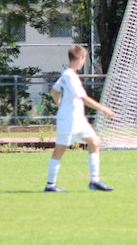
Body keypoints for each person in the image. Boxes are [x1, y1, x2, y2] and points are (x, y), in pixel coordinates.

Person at [45, 44, 116, 192]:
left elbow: (54, 91)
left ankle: (94, 181)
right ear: (81, 58)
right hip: (68, 120)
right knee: (60, 149)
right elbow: (83, 98)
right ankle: (50, 185)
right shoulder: (70, 76)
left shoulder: (67, 74)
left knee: (95, 142)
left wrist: (61, 104)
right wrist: (104, 109)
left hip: (78, 119)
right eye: (84, 59)